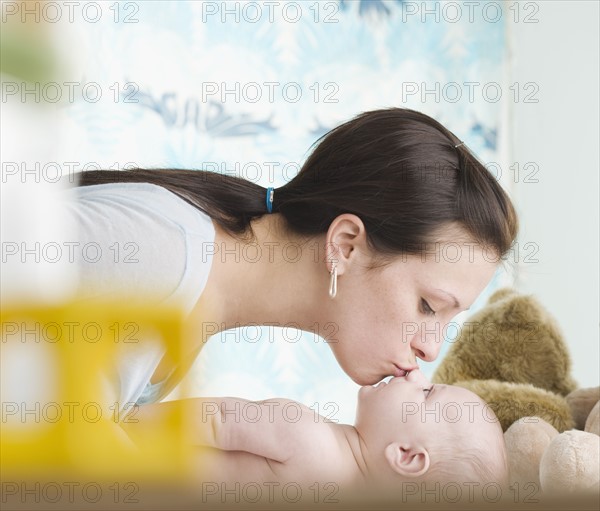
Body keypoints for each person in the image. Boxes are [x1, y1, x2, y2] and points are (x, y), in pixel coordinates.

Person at [65, 107, 518, 413]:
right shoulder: (156, 254)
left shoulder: (197, 285)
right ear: (345, 245)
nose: (431, 348)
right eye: (428, 306)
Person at [124, 369, 508, 498]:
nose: (415, 374)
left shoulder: (305, 434)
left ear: (405, 454)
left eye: (426, 392)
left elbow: (215, 420)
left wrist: (124, 422)